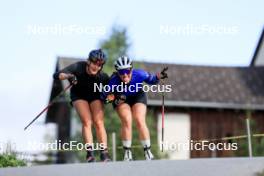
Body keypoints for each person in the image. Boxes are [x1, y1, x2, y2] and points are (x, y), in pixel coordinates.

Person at [102, 56, 168, 161]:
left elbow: (151, 80)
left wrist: (159, 76)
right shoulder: (113, 81)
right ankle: (127, 152)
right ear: (117, 72)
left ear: (131, 70)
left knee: (139, 119)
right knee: (127, 120)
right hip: (122, 99)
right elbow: (104, 98)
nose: (125, 75)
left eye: (127, 71)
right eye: (121, 72)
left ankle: (147, 151)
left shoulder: (139, 74)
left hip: (138, 96)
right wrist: (114, 97)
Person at [53, 49, 111, 162]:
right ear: (88, 61)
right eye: (94, 63)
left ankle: (104, 153)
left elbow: (113, 91)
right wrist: (68, 76)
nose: (96, 66)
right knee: (87, 121)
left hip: (95, 96)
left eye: (100, 65)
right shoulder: (78, 67)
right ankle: (89, 153)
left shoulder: (103, 77)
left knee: (99, 122)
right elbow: (56, 75)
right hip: (79, 96)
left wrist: (112, 97)